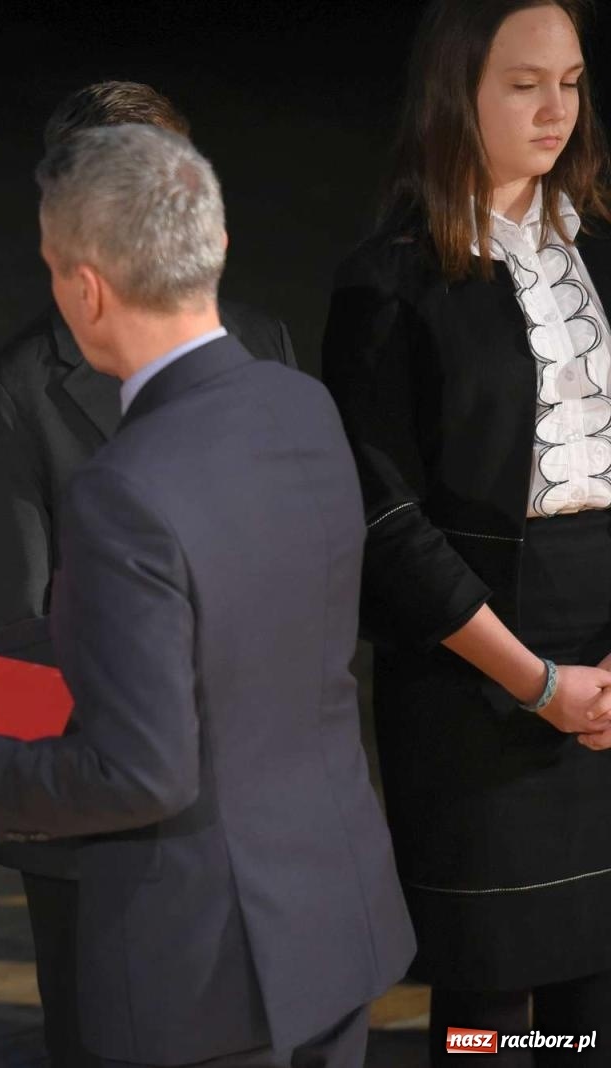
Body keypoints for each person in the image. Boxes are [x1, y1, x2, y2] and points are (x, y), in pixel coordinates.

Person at [0, 124, 414, 1067]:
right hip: (332, 928)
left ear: (86, 290)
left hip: (207, 971)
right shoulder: (300, 406)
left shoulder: (124, 487)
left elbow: (144, 771)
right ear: (213, 245)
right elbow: (219, 629)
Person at [0, 81, 297, 1067]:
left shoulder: (260, 344)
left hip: (252, 809)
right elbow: (23, 635)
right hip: (104, 829)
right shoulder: (13, 393)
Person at [320, 0, 611, 1053]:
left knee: (595, 1003)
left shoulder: (603, 250)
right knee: (487, 1011)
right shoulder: (388, 280)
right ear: (457, 94)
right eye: (524, 84)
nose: (555, 110)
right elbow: (385, 517)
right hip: (470, 671)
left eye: (570, 83)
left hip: (605, 662)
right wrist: (534, 681)